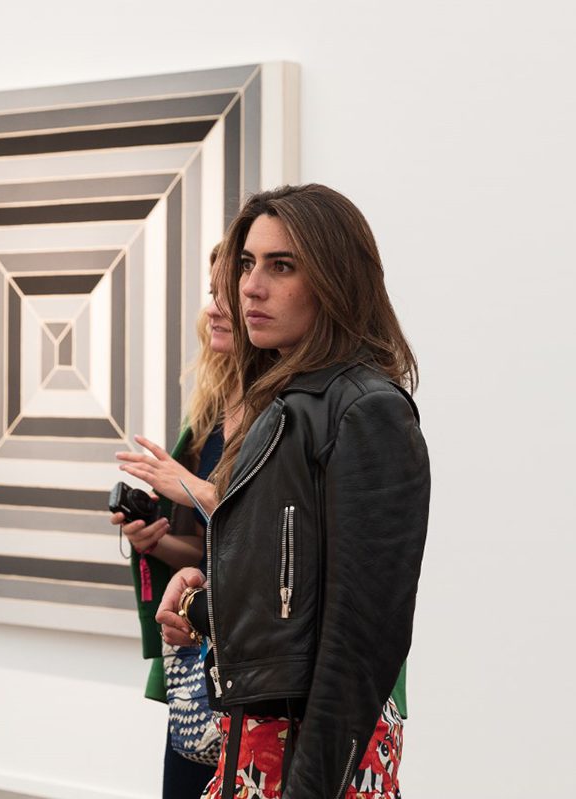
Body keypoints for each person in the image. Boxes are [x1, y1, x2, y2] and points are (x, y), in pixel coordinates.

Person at [156, 185, 431, 799]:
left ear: (336, 279)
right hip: (257, 738)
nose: (250, 286)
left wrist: (312, 785)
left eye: (282, 266)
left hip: (315, 752)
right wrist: (206, 597)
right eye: (248, 264)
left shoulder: (366, 410)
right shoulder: (285, 405)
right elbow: (292, 599)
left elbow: (365, 637)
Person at [113, 248, 244, 799]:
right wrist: (159, 541)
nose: (214, 310)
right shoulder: (209, 415)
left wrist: (188, 486)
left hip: (259, 665)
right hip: (202, 654)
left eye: (227, 296)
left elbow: (281, 533)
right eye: (212, 294)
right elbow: (210, 550)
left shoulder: (295, 410)